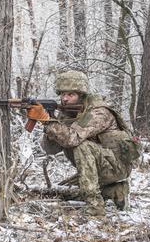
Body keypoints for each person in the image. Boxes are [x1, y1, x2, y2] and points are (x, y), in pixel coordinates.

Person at [26, 70, 141, 216]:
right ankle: (116, 192)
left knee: (81, 145)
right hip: (96, 168)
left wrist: (48, 122)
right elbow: (50, 149)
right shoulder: (67, 113)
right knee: (62, 192)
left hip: (116, 166)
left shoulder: (98, 112)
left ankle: (95, 207)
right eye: (62, 94)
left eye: (71, 94)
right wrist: (49, 123)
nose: (65, 99)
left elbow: (73, 138)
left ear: (82, 95)